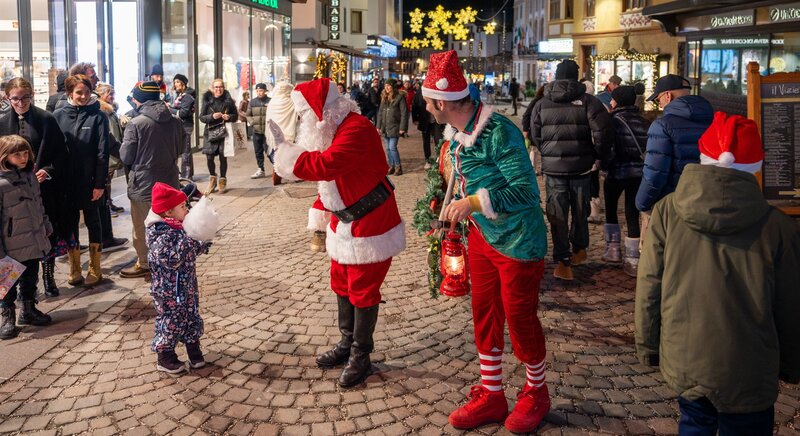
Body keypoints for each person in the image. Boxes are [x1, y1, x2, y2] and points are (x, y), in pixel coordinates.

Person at [636, 112, 800, 436]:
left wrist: (649, 346)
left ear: (703, 157)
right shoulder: (779, 226)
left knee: (694, 424)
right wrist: (792, 365)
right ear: (755, 167)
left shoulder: (667, 211)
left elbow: (649, 284)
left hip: (686, 355)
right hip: (751, 365)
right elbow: (790, 303)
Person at [423, 50, 549, 434]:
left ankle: (536, 392)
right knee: (485, 311)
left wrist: (474, 202)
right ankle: (492, 393)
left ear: (442, 103)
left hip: (518, 242)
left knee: (519, 316)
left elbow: (526, 192)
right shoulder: (458, 133)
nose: (426, 107)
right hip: (482, 237)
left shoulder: (499, 132)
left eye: (428, 101)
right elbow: (461, 177)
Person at [270, 78, 405, 388]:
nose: (303, 121)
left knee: (362, 288)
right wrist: (319, 213)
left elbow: (327, 166)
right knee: (341, 282)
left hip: (371, 221)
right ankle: (347, 344)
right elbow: (328, 184)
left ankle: (361, 355)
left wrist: (287, 156)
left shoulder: (356, 129)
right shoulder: (332, 130)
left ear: (321, 112)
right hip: (343, 221)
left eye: (304, 115)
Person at [531, 59, 610, 281]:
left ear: (556, 76)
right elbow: (603, 132)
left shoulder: (542, 103)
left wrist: (548, 151)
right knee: (580, 210)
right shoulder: (589, 101)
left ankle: (563, 261)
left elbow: (535, 133)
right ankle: (579, 249)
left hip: (554, 169)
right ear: (576, 77)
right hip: (582, 167)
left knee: (557, 214)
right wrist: (597, 155)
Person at [0, 78, 68, 298]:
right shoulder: (1, 121)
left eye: (25, 98)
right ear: (7, 97)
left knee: (44, 232)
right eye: (15, 99)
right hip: (9, 190)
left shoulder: (46, 119)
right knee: (12, 239)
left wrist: (47, 171)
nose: (21, 103)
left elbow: (61, 153)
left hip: (41, 188)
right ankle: (12, 297)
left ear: (32, 96)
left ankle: (47, 276)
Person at [635, 74, 713, 242]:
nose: (660, 104)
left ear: (667, 96)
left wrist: (642, 203)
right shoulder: (714, 120)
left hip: (671, 204)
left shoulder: (662, 125)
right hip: (706, 203)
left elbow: (654, 174)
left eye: (658, 99)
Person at [119, 81, 184, 281]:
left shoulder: (136, 123)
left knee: (142, 225)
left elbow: (126, 157)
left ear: (139, 99)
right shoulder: (175, 120)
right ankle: (171, 259)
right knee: (169, 222)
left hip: (144, 184)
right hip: (170, 182)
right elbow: (180, 149)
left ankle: (145, 263)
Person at [146, 182, 214, 373]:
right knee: (170, 320)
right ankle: (165, 355)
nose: (187, 210)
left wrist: (203, 240)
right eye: (183, 207)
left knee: (191, 315)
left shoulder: (179, 225)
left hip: (187, 285)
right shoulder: (158, 232)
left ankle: (194, 349)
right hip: (167, 290)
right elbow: (173, 258)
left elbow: (190, 250)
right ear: (168, 212)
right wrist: (192, 238)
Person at [53, 74, 110, 287]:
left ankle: (95, 268)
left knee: (93, 221)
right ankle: (74, 268)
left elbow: (102, 153)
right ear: (69, 93)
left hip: (89, 181)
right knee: (69, 223)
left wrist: (99, 184)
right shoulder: (58, 115)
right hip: (66, 182)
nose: (84, 96)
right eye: (79, 93)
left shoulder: (98, 117)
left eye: (87, 92)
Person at [0, 135, 54, 339]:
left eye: (25, 153)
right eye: (16, 154)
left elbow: (38, 204)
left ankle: (28, 309)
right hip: (10, 242)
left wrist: (45, 224)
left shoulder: (29, 176)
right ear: (5, 156)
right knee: (6, 283)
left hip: (32, 237)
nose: (23, 158)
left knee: (30, 276)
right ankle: (7, 317)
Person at [598, 86, 648, 274]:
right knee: (631, 212)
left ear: (616, 101)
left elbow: (607, 147)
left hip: (617, 172)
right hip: (638, 174)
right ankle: (633, 258)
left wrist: (605, 165)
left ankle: (613, 250)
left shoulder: (611, 121)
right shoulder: (645, 122)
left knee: (611, 210)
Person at [94, 83, 129, 250]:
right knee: (105, 182)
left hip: (114, 149)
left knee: (108, 182)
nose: (112, 96)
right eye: (109, 93)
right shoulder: (102, 111)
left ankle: (109, 203)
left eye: (113, 93)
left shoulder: (111, 109)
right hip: (108, 153)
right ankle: (107, 203)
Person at [200, 79, 237, 195]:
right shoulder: (207, 100)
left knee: (222, 156)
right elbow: (202, 117)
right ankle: (212, 180)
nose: (218, 89)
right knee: (209, 157)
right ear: (212, 88)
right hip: (210, 132)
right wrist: (212, 116)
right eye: (216, 87)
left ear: (224, 87)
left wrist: (229, 117)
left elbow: (235, 116)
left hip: (223, 132)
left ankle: (222, 180)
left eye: (221, 87)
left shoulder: (229, 101)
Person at [264, 82, 296, 187]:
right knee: (289, 153)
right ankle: (289, 172)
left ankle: (278, 172)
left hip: (275, 133)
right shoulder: (292, 102)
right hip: (288, 131)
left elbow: (268, 118)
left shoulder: (272, 102)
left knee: (277, 153)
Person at [376, 78, 409, 176]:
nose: (386, 87)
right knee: (387, 148)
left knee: (392, 147)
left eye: (389, 85)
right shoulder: (384, 97)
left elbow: (404, 113)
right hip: (385, 127)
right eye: (385, 85)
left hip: (395, 126)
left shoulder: (399, 97)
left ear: (393, 87)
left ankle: (398, 167)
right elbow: (380, 113)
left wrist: (403, 127)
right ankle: (391, 166)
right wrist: (378, 126)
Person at [169, 74, 196, 180]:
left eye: (178, 82)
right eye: (175, 82)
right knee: (186, 151)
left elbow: (184, 113)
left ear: (183, 83)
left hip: (186, 126)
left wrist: (170, 109)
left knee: (185, 152)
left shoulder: (187, 97)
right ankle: (188, 174)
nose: (175, 85)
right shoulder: (180, 96)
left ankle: (186, 176)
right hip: (180, 126)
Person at [411, 86, 444, 168]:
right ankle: (428, 160)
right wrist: (415, 118)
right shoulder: (420, 91)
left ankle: (438, 160)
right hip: (424, 120)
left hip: (437, 120)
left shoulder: (437, 90)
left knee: (438, 140)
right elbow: (415, 105)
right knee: (426, 141)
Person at [246, 83, 271, 180]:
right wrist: (252, 122)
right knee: (258, 151)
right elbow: (248, 114)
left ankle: (277, 169)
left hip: (267, 132)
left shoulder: (270, 101)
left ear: (265, 91)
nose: (259, 92)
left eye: (261, 90)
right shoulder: (252, 102)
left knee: (269, 151)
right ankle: (261, 169)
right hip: (256, 131)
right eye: (257, 91)